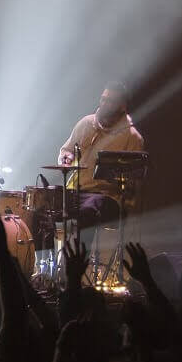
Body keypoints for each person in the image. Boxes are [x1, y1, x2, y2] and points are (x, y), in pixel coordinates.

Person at [58, 81, 144, 269]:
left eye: (110, 101)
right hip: (77, 192)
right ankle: (41, 267)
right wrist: (66, 156)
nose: (104, 104)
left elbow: (133, 183)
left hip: (108, 200)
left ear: (122, 107)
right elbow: (66, 149)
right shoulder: (86, 123)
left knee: (90, 207)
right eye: (103, 99)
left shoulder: (132, 137)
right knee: (44, 203)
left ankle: (75, 269)